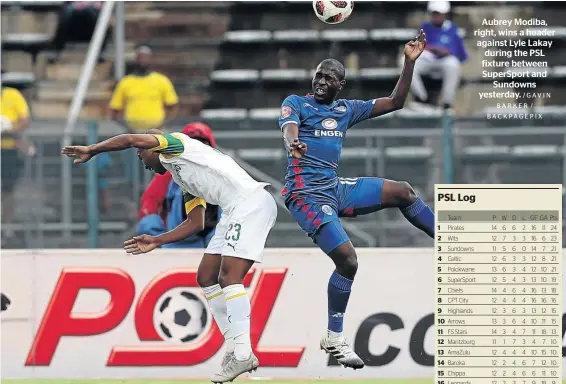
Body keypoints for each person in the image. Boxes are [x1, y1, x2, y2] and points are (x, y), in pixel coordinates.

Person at [61, 129, 277, 383]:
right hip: (233, 211)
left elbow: (130, 139)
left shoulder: (177, 145)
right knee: (206, 276)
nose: (141, 159)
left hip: (249, 204)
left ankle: (244, 353)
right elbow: (195, 223)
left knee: (229, 276)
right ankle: (233, 346)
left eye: (142, 153)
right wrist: (156, 239)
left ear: (153, 147)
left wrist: (93, 149)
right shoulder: (182, 177)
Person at [278, 31, 433, 369]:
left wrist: (408, 63)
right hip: (304, 194)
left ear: (340, 85)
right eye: (319, 74)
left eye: (329, 76)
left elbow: (396, 102)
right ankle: (334, 337)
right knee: (348, 259)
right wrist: (293, 143)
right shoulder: (297, 103)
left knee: (403, 191)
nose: (321, 80)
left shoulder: (347, 110)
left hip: (333, 187)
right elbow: (289, 127)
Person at [138, 122, 221, 248]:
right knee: (148, 222)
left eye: (202, 143)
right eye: (193, 142)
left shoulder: (221, 173)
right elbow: (149, 205)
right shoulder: (168, 174)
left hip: (214, 239)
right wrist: (159, 238)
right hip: (177, 240)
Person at [109, 46, 179, 182]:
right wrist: (128, 128)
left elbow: (173, 106)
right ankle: (134, 194)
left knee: (160, 168)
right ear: (135, 60)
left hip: (157, 136)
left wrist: (163, 125)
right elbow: (114, 111)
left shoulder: (161, 81)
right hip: (134, 135)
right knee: (132, 170)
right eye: (140, 57)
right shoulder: (126, 82)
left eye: (146, 57)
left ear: (151, 60)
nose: (143, 61)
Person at [409, 1, 467, 110]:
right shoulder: (425, 27)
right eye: (434, 13)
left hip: (445, 61)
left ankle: (447, 103)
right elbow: (417, 47)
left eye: (439, 13)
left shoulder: (453, 30)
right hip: (427, 59)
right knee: (406, 62)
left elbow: (461, 55)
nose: (436, 16)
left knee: (453, 65)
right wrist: (432, 49)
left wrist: (447, 51)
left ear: (445, 14)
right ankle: (422, 98)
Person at [1, 83, 33, 239]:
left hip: (8, 150)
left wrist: (8, 131)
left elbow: (25, 120)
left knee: (8, 190)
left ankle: (7, 226)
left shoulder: (12, 95)